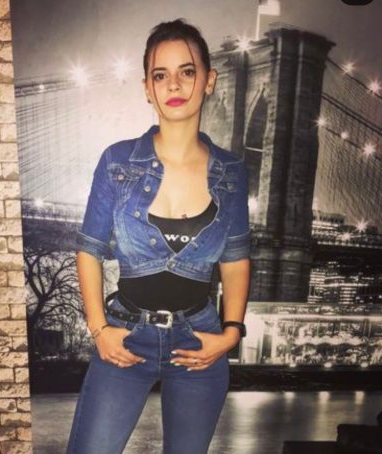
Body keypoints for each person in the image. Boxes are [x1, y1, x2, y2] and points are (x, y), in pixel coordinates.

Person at [66, 18, 251, 454]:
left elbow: (236, 259)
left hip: (198, 343)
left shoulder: (231, 172)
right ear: (147, 88)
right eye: (160, 75)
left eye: (187, 71)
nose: (175, 85)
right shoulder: (117, 162)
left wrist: (231, 334)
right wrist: (99, 329)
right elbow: (89, 251)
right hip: (125, 338)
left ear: (209, 80)